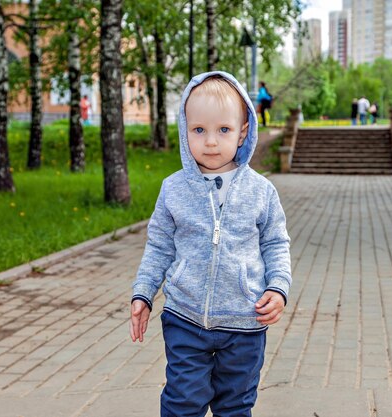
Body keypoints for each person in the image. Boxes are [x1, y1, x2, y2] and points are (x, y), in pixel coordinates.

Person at [130, 71, 292, 417]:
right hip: (185, 317)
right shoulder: (173, 189)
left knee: (235, 406)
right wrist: (143, 292)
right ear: (184, 129)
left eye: (224, 130)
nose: (211, 142)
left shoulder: (261, 191)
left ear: (243, 131)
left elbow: (277, 243)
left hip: (245, 322)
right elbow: (159, 246)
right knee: (182, 401)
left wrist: (278, 288)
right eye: (199, 130)